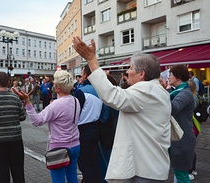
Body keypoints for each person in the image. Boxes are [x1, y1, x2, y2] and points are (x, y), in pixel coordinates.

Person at [72, 36, 171, 182]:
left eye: (130, 68)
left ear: (141, 74)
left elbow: (112, 95)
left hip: (145, 170)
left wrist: (92, 60)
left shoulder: (146, 89)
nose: (127, 71)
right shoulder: (155, 89)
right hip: (150, 165)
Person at [13, 70, 80, 183]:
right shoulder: (75, 100)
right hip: (75, 144)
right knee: (72, 176)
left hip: (59, 147)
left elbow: (36, 121)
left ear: (58, 88)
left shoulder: (56, 105)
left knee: (58, 180)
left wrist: (28, 103)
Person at [74, 64, 103, 183]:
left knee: (84, 160)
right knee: (94, 159)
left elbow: (75, 112)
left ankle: (88, 180)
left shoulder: (80, 91)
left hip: (83, 129)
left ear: (85, 76)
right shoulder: (101, 90)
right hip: (96, 127)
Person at [168, 65, 196, 183]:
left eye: (171, 74)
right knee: (179, 173)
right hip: (180, 137)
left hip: (182, 139)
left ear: (178, 77)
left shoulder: (184, 93)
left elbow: (173, 108)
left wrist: (166, 91)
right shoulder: (180, 91)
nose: (168, 77)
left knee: (182, 175)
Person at [187, 79, 200, 181]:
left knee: (190, 149)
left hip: (192, 126)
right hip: (193, 126)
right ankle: (193, 169)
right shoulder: (194, 96)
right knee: (191, 149)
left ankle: (191, 170)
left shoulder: (191, 97)